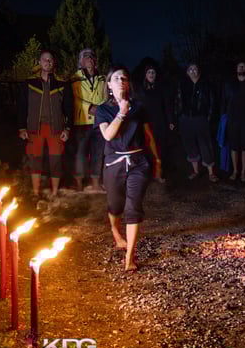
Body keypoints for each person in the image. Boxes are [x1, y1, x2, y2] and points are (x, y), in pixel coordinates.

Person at [94, 66, 150, 272]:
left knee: (133, 206)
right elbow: (108, 135)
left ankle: (130, 256)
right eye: (116, 78)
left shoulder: (139, 107)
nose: (120, 81)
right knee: (115, 205)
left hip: (138, 162)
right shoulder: (103, 110)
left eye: (124, 78)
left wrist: (157, 158)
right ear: (109, 85)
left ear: (128, 84)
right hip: (114, 162)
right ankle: (116, 232)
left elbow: (148, 134)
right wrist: (121, 113)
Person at [18, 50, 73, 199]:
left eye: (50, 60)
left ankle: (54, 193)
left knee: (56, 160)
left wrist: (67, 129)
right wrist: (22, 127)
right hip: (34, 128)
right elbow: (22, 106)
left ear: (53, 63)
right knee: (35, 159)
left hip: (56, 128)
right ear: (39, 62)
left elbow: (69, 107)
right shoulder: (30, 83)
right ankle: (36, 192)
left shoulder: (62, 83)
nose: (47, 62)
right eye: (44, 59)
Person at [71, 48, 107, 192]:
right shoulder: (75, 78)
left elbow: (106, 97)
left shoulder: (102, 78)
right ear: (80, 61)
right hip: (82, 121)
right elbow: (74, 98)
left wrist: (102, 110)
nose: (89, 59)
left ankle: (95, 183)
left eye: (92, 57)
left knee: (98, 152)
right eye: (86, 57)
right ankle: (79, 183)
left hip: (99, 121)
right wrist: (89, 107)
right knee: (80, 153)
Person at [175, 63, 219, 182]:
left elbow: (212, 102)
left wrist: (208, 118)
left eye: (195, 69)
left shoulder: (206, 84)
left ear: (199, 71)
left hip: (201, 119)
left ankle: (211, 172)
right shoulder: (183, 84)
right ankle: (195, 171)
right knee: (190, 145)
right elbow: (177, 101)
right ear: (187, 72)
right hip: (185, 120)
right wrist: (179, 116)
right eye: (190, 69)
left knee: (205, 145)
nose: (193, 71)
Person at [137, 65, 174, 183]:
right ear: (145, 75)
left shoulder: (161, 88)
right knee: (149, 148)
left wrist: (170, 121)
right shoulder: (141, 90)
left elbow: (167, 105)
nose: (151, 74)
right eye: (149, 72)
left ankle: (158, 173)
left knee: (161, 147)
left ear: (156, 75)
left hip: (160, 122)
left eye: (153, 72)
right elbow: (138, 107)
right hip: (146, 123)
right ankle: (149, 173)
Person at [220, 62, 245, 182]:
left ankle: (243, 172)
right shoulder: (229, 85)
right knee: (234, 147)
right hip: (232, 121)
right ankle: (235, 171)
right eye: (239, 66)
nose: (241, 68)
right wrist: (223, 118)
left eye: (243, 66)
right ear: (236, 69)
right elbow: (223, 102)